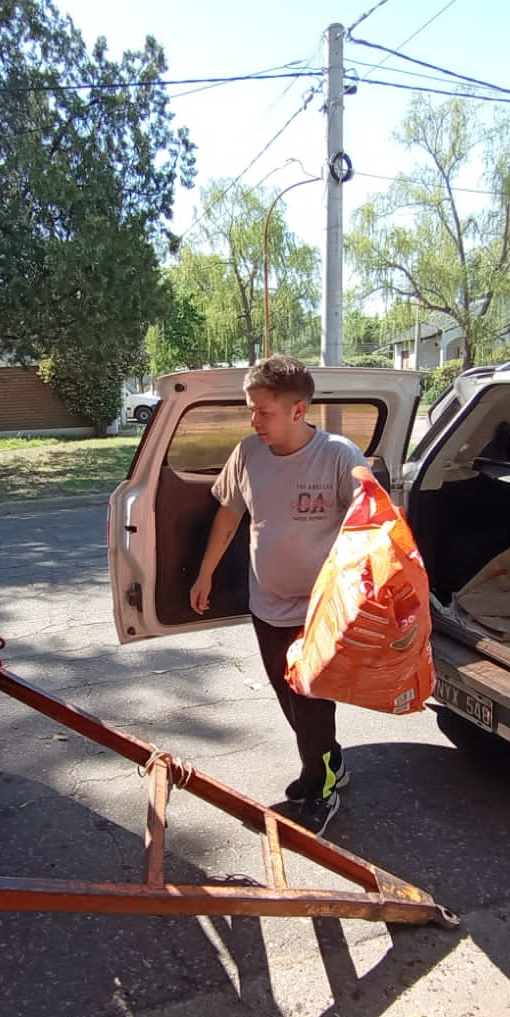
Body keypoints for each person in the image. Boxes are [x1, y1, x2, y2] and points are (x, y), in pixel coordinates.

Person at [190, 355, 368, 836]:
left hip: (318, 609)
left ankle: (321, 788)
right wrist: (204, 573)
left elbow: (369, 530)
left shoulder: (338, 455)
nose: (254, 420)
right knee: (288, 697)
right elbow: (229, 515)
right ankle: (327, 764)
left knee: (309, 697)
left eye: (263, 411)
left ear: (297, 409)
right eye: (251, 409)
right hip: (266, 603)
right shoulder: (248, 453)